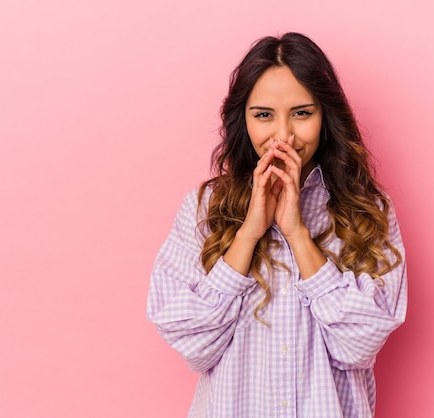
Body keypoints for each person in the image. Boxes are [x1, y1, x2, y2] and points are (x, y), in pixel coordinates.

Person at [147, 32, 407, 418]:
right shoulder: (204, 208)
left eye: (302, 113)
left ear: (325, 117)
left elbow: (359, 345)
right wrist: (250, 232)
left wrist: (297, 233)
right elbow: (193, 345)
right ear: (243, 118)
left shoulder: (366, 211)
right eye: (263, 115)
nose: (282, 136)